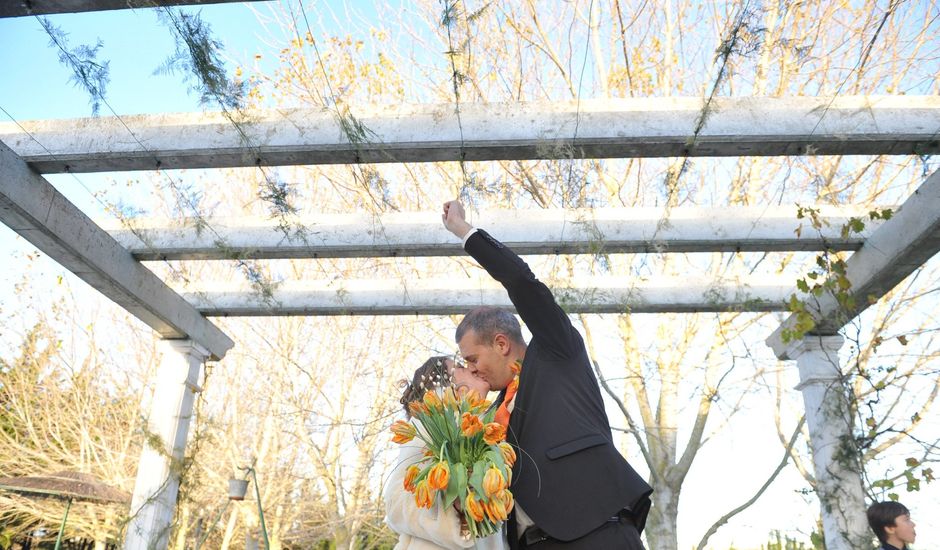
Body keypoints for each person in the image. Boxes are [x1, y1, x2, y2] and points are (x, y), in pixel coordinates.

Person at [442, 200, 653, 549]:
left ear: (501, 343)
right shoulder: (493, 413)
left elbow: (521, 282)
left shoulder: (557, 350)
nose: (471, 369)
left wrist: (464, 232)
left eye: (472, 358)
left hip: (597, 533)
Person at [385, 355, 508, 550]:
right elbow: (395, 504)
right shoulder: (428, 425)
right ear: (450, 387)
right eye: (460, 366)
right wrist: (455, 507)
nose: (472, 369)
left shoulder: (489, 429)